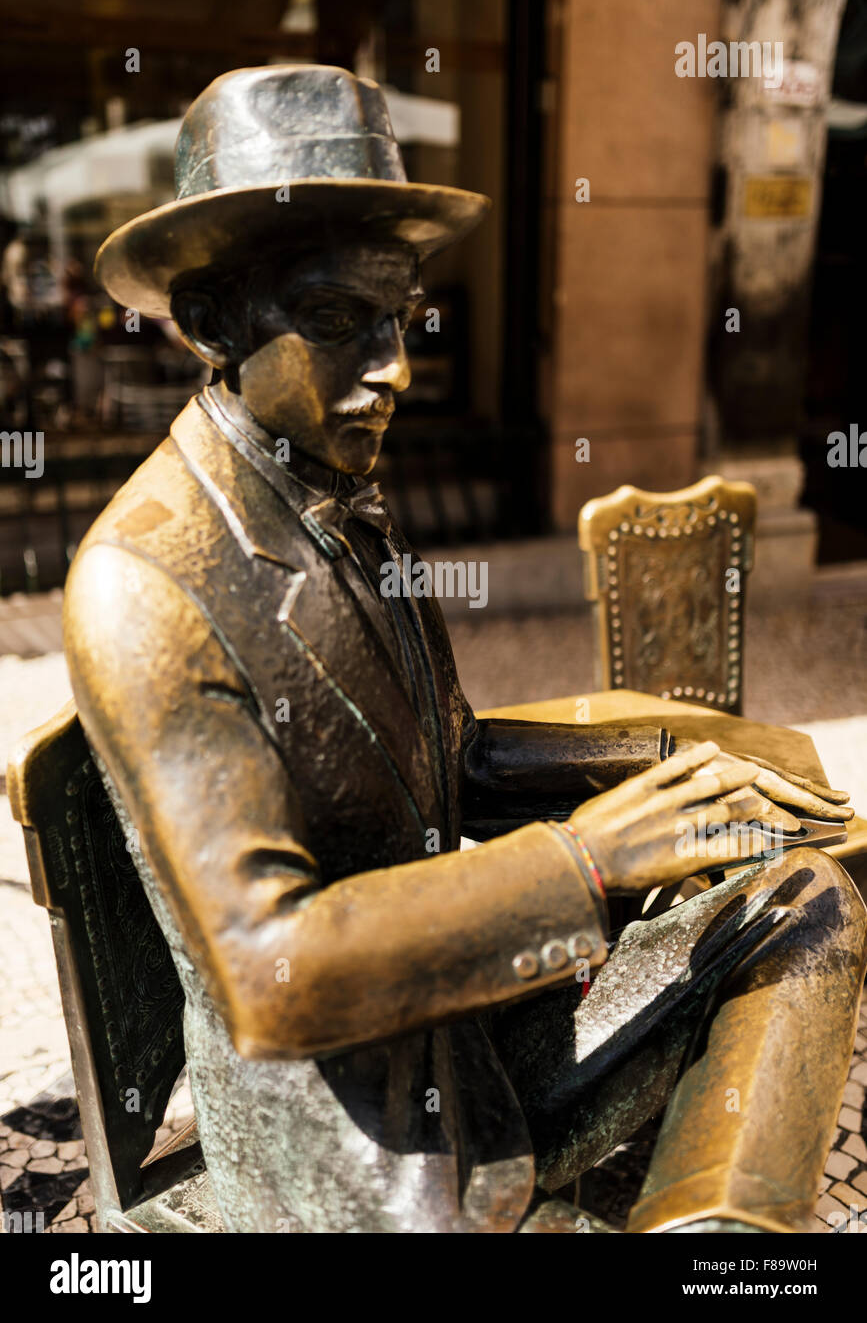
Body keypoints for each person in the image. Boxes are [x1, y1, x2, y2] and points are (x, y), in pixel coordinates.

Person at [63, 65, 865, 1234]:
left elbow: (459, 761)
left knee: (807, 897)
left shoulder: (343, 493)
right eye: (341, 320)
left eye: (403, 318)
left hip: (474, 1039)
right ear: (210, 325)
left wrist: (669, 771)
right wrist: (586, 864)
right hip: (351, 1156)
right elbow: (270, 974)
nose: (395, 368)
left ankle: (718, 1229)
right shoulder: (145, 584)